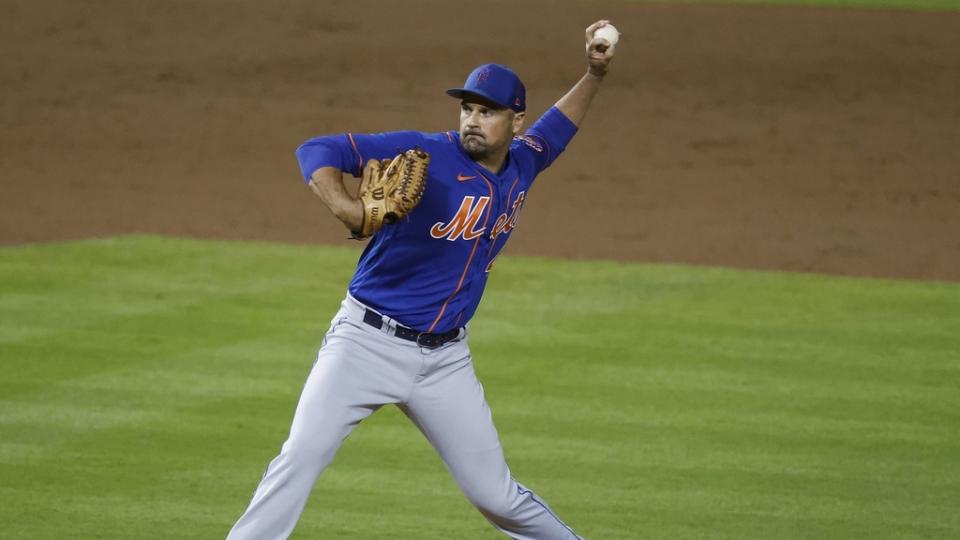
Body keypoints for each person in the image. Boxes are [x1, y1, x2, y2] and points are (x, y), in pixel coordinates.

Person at [227, 20, 617, 540]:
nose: (472, 121)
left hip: (445, 362)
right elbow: (316, 149)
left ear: (515, 121)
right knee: (299, 459)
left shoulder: (525, 162)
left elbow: (559, 126)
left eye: (487, 111)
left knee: (495, 495)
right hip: (365, 342)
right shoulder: (427, 153)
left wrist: (594, 72)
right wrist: (345, 208)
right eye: (467, 108)